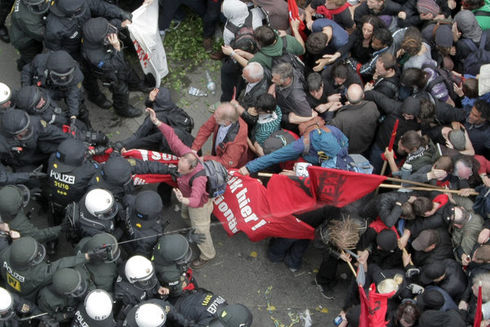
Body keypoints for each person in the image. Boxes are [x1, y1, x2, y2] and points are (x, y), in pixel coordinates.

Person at [147, 107, 215, 269]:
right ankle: (193, 225)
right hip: (186, 197)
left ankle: (207, 254)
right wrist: (156, 121)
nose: (178, 170)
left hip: (198, 205)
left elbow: (196, 199)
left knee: (201, 230)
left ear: (192, 168)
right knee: (185, 215)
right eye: (179, 165)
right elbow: (172, 137)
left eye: (182, 169)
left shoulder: (199, 178)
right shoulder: (187, 155)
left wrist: (183, 199)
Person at [0, 236, 107, 301]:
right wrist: (87, 256)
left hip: (8, 287)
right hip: (28, 296)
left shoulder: (5, 254)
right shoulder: (38, 275)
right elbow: (60, 265)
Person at [81, 17, 147, 118]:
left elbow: (112, 24)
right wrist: (117, 47)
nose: (111, 32)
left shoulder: (99, 29)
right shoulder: (94, 56)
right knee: (120, 90)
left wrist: (121, 24)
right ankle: (122, 110)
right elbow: (116, 64)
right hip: (110, 72)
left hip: (116, 59)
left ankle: (136, 85)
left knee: (129, 71)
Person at [21, 50, 91, 127]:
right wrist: (26, 88)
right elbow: (27, 71)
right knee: (43, 109)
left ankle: (86, 124)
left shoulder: (77, 76)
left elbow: (73, 95)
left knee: (79, 105)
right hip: (45, 89)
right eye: (59, 76)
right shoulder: (39, 61)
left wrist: (73, 115)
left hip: (65, 90)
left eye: (65, 76)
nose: (62, 78)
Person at [324, 83, 380, 155]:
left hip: (349, 151)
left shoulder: (341, 117)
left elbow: (328, 130)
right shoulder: (372, 106)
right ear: (363, 95)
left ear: (346, 96)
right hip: (366, 147)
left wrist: (330, 111)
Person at [191, 102, 249, 169]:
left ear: (226, 121)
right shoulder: (222, 116)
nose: (213, 116)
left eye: (216, 116)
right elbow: (206, 128)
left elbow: (227, 163)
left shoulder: (236, 142)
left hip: (228, 165)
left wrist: (205, 159)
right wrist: (194, 149)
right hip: (218, 153)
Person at [9, 0, 47, 70]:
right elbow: (41, 34)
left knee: (27, 56)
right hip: (25, 42)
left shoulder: (26, 4)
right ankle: (25, 68)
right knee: (31, 59)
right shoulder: (28, 19)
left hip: (21, 32)